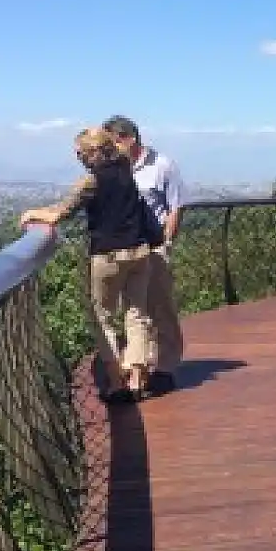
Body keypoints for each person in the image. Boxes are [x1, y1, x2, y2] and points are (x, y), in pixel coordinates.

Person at [20, 127, 160, 401]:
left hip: (108, 256)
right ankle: (137, 376)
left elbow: (61, 213)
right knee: (136, 314)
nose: (78, 157)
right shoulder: (126, 171)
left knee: (102, 317)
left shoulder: (91, 182)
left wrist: (33, 214)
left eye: (80, 152)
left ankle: (117, 382)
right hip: (139, 251)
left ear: (93, 152)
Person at [105, 115, 184, 395]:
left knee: (160, 305)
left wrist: (166, 242)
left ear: (130, 139)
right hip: (128, 248)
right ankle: (142, 366)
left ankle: (166, 366)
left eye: (114, 142)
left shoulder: (162, 165)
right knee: (136, 310)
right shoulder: (116, 168)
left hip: (154, 245)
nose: (111, 148)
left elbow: (175, 207)